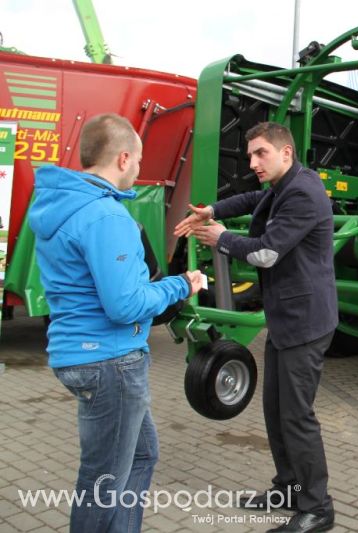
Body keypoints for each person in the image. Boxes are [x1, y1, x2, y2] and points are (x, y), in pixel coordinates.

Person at [28, 113, 203, 533]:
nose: (139, 170)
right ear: (124, 158)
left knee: (142, 456)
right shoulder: (107, 217)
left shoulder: (61, 205)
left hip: (80, 354)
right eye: (139, 161)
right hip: (110, 362)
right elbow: (125, 305)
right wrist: (182, 284)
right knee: (102, 480)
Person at [174, 121, 337, 533]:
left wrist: (221, 237)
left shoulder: (303, 192)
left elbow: (265, 253)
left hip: (306, 322)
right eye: (250, 155)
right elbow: (252, 198)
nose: (252, 163)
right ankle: (288, 489)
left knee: (297, 416)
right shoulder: (285, 184)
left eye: (260, 153)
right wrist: (212, 211)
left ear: (286, 152)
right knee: (276, 411)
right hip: (287, 318)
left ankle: (317, 508)